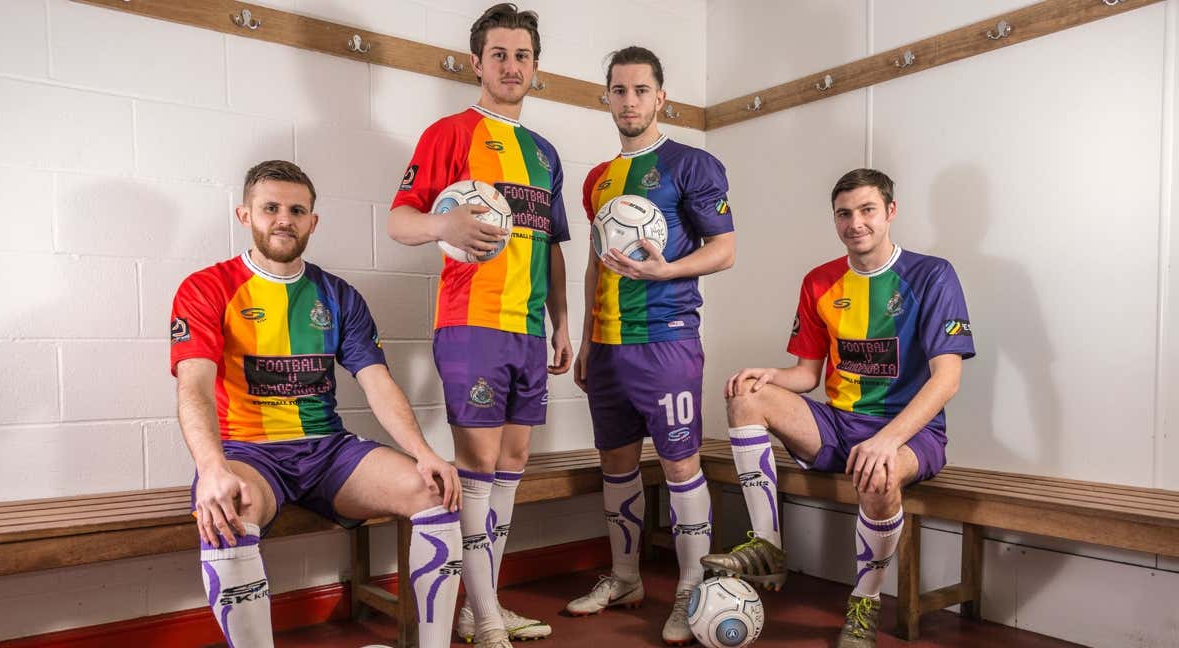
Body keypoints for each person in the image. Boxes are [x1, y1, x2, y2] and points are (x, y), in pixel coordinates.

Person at [171, 160, 462, 648]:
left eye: (296, 210)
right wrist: (211, 467)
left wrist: (425, 451)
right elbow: (193, 387)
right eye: (270, 208)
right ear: (246, 215)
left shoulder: (338, 295)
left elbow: (378, 382)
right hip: (249, 452)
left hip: (327, 451)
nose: (283, 218)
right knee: (227, 508)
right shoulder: (206, 287)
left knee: (432, 488)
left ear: (312, 221)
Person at [701, 168, 975, 648]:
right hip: (836, 424)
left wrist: (888, 440)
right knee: (744, 395)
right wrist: (770, 376)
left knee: (880, 473)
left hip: (911, 433)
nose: (856, 223)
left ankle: (865, 602)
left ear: (890, 212)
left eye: (867, 210)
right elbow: (807, 374)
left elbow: (947, 377)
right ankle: (767, 546)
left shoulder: (932, 275)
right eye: (844, 214)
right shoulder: (819, 281)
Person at [386, 4, 571, 646]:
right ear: (477, 63)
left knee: (515, 460)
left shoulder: (546, 154)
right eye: (499, 54)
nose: (511, 66)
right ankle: (487, 615)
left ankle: (478, 603)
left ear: (535, 67)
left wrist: (562, 323)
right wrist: (446, 225)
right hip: (470, 324)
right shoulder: (449, 134)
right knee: (478, 462)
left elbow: (551, 247)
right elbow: (400, 220)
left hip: (527, 329)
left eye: (522, 55)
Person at [564, 46, 736, 646]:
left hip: (667, 342)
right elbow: (594, 265)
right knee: (615, 464)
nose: (630, 100)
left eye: (641, 90)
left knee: (680, 464)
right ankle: (626, 576)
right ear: (605, 97)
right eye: (619, 90)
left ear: (661, 96)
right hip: (609, 347)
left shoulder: (693, 163)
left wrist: (664, 273)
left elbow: (724, 249)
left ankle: (691, 588)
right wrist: (588, 339)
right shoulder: (597, 179)